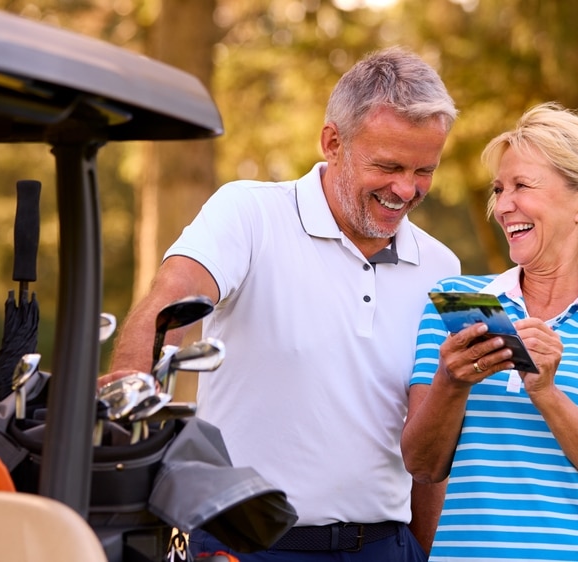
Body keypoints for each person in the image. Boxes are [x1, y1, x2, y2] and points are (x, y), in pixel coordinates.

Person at [107, 46, 460, 561]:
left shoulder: (441, 268)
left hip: (385, 547)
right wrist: (123, 406)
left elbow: (430, 442)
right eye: (388, 166)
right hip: (244, 546)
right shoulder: (248, 213)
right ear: (332, 142)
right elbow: (168, 305)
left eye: (423, 170)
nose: (405, 189)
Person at [401, 102, 578, 561]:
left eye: (522, 186)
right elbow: (423, 465)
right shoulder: (459, 304)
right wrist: (450, 383)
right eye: (499, 188)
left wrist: (547, 393)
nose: (503, 205)